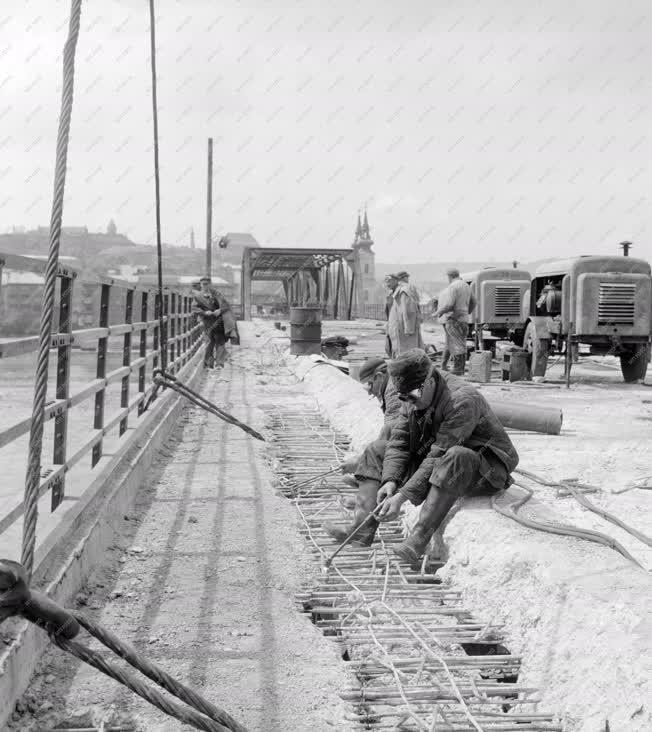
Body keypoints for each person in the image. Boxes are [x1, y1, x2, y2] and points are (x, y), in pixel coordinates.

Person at [326, 348, 519, 560]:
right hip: (441, 464)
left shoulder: (461, 400)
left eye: (411, 397)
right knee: (377, 449)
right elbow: (399, 442)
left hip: (483, 470)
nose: (409, 403)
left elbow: (439, 454)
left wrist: (402, 496)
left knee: (456, 455)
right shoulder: (411, 395)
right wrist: (390, 481)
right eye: (403, 397)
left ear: (428, 382)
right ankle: (361, 528)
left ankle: (419, 538)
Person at [434, 267, 476, 375]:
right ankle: (460, 369)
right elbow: (474, 302)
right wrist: (468, 312)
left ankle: (457, 369)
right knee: (461, 343)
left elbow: (450, 304)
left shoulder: (453, 286)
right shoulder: (466, 285)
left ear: (449, 276)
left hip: (454, 319)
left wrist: (439, 312)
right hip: (464, 319)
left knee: (455, 344)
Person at [192, 276, 236, 369]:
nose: (205, 286)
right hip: (207, 322)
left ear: (210, 284)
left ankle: (219, 363)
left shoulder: (217, 294)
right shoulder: (198, 296)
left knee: (220, 341)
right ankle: (209, 364)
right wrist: (204, 312)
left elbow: (226, 305)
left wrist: (220, 310)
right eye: (203, 284)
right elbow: (194, 308)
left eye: (207, 284)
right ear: (200, 285)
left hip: (219, 321)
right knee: (209, 342)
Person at [387, 272, 423, 357]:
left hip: (402, 327)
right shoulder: (401, 290)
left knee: (406, 352)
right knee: (404, 351)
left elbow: (408, 310)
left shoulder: (404, 290)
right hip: (400, 326)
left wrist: (409, 328)